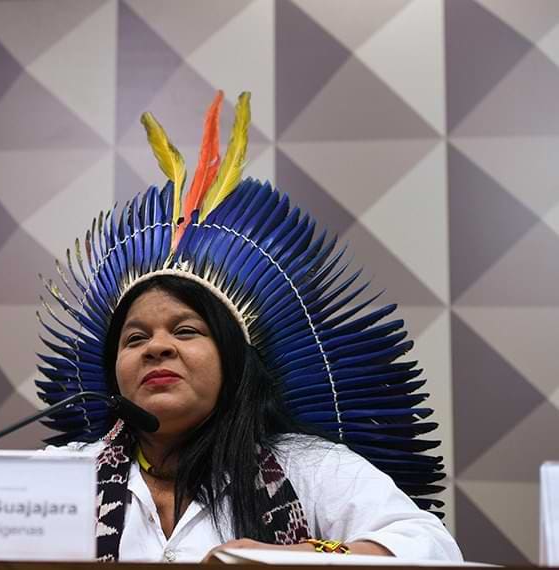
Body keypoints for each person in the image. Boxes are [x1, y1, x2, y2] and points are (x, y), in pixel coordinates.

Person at [36, 91, 462, 562]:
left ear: (235, 360)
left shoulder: (309, 465)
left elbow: (433, 549)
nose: (156, 348)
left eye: (185, 331)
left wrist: (302, 559)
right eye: (135, 338)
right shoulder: (63, 474)